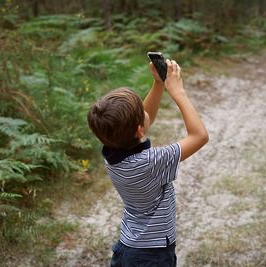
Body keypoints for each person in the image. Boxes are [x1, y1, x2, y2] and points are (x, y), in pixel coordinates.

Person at [87, 58, 209, 266]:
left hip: (129, 247)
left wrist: (159, 83)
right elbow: (200, 136)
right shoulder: (151, 162)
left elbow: (143, 121)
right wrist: (178, 92)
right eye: (141, 112)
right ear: (138, 130)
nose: (146, 113)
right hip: (152, 256)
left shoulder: (112, 152)